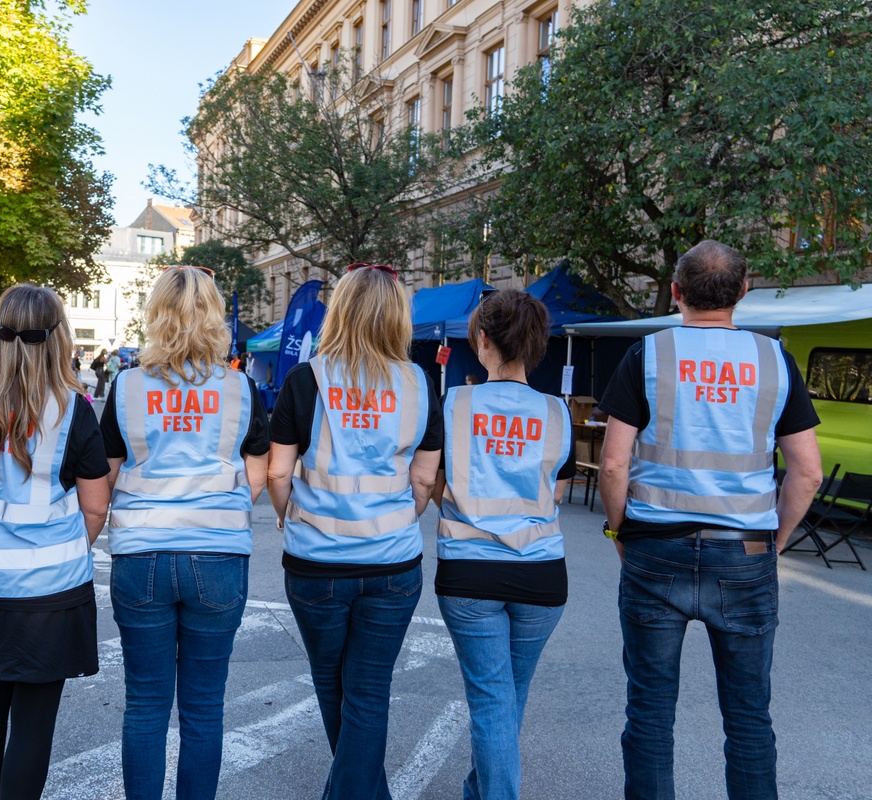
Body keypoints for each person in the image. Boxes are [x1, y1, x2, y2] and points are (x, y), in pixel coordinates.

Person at [598, 240, 823, 800]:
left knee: (650, 712)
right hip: (745, 550)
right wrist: (774, 541)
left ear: (676, 292)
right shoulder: (774, 360)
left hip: (655, 548)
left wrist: (620, 531)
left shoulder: (648, 354)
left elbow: (614, 463)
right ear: (742, 292)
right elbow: (808, 473)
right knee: (748, 716)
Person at [267, 263, 442, 800]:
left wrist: (289, 515)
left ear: (339, 312)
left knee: (331, 682)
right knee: (368, 690)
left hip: (316, 560)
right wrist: (398, 517)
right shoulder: (419, 383)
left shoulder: (306, 380)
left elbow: (277, 473)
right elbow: (424, 478)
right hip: (392, 560)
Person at [100, 264, 270, 800]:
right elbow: (258, 474)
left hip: (141, 554)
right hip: (217, 554)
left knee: (145, 705)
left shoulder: (127, 387)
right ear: (214, 316)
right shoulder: (240, 389)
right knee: (204, 707)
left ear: (157, 314)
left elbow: (107, 474)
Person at [0, 284, 110, 800]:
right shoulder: (71, 410)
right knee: (33, 723)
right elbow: (96, 507)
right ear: (58, 338)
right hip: (49, 592)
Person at [432, 290, 575, 800]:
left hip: (470, 569)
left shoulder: (454, 404)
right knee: (509, 696)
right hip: (541, 572)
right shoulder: (557, 413)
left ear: (482, 340)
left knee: (492, 700)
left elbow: (433, 482)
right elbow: (558, 491)